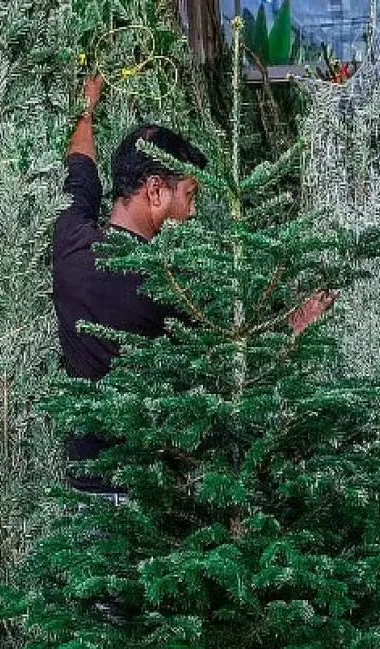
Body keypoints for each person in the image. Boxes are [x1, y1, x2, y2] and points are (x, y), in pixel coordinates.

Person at [53, 76, 329, 492]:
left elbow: (80, 166)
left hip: (83, 488)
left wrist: (88, 108)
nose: (192, 212)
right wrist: (296, 325)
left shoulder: (70, 239)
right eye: (190, 195)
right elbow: (232, 369)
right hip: (142, 493)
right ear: (156, 190)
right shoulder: (164, 286)